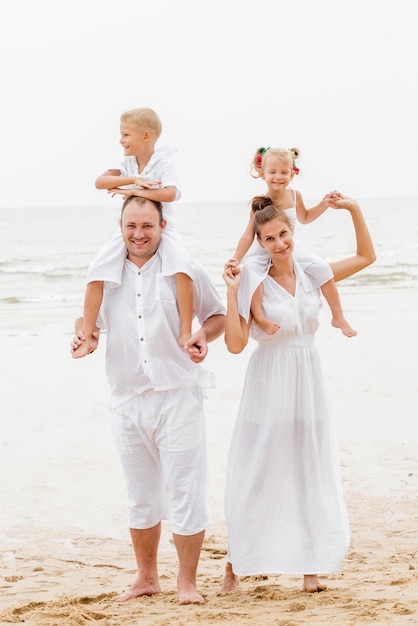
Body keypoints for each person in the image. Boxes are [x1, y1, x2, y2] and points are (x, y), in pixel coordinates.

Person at [71, 196, 225, 604]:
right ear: (120, 227)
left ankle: (186, 583)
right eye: (131, 226)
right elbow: (88, 321)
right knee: (140, 495)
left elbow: (218, 316)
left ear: (162, 225)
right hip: (126, 398)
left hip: (177, 396)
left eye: (147, 226)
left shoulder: (184, 269)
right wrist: (85, 337)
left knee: (185, 490)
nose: (138, 235)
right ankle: (146, 578)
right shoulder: (106, 273)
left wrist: (202, 336)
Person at [221, 194, 376, 594]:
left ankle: (311, 568)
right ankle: (234, 565)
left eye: (284, 234)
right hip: (268, 382)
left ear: (294, 232)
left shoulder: (312, 274)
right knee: (258, 470)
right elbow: (235, 346)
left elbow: (365, 257)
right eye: (269, 238)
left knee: (310, 468)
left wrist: (354, 209)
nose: (279, 244)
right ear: (259, 243)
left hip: (308, 380)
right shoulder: (253, 282)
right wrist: (230, 291)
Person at [72, 107, 194, 358]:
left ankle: (185, 331)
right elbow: (100, 182)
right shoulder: (127, 164)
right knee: (98, 268)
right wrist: (134, 181)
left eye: (126, 135)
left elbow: (170, 193)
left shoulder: (163, 163)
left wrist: (134, 193)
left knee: (183, 266)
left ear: (146, 136)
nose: (121, 140)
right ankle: (87, 332)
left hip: (163, 228)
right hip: (131, 229)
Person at [233, 147, 356, 337]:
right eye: (272, 172)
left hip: (289, 249)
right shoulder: (260, 203)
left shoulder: (295, 195)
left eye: (284, 172)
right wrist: (236, 259)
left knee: (323, 267)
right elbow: (249, 234)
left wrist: (324, 205)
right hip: (264, 249)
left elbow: (305, 217)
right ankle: (259, 316)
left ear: (292, 173)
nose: (278, 177)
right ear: (262, 173)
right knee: (250, 272)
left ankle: (337, 316)